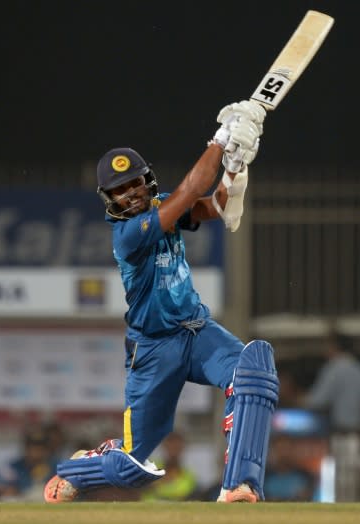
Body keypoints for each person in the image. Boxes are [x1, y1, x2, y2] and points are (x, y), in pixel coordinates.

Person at [44, 100, 279, 504]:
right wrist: (221, 140)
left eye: (134, 183)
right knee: (129, 463)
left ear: (147, 180)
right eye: (120, 190)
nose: (130, 194)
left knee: (253, 371)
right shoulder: (129, 235)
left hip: (198, 331)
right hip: (154, 350)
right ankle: (79, 469)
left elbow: (216, 205)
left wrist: (236, 166)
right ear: (109, 199)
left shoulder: (160, 206)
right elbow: (192, 190)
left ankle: (241, 485)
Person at [303, 331, 360, 433]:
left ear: (335, 346)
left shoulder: (334, 368)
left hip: (339, 433)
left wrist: (299, 400)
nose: (325, 350)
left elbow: (317, 401)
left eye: (327, 345)